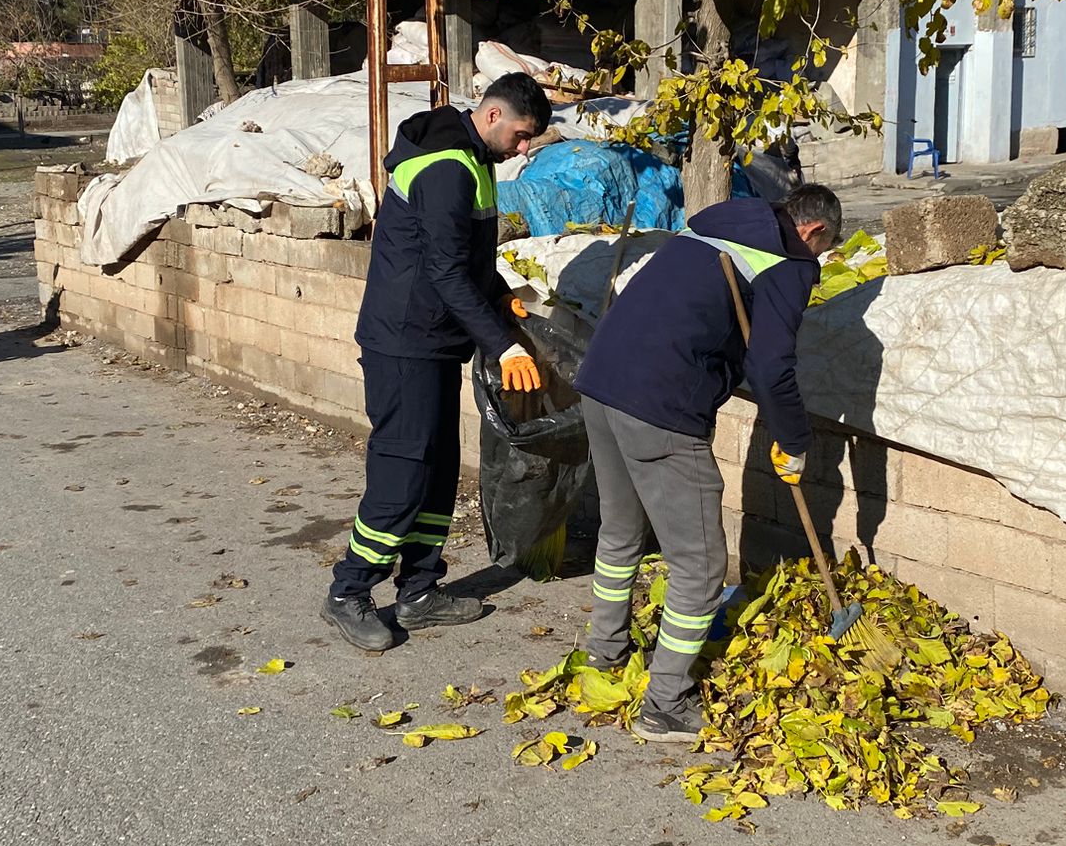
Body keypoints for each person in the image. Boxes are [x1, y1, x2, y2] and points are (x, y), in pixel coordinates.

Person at [572, 183, 842, 739]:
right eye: (824, 248)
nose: (818, 258)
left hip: (600, 382)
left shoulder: (723, 221)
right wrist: (794, 441)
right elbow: (771, 367)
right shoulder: (789, 262)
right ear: (813, 230)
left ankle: (604, 652)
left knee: (620, 529)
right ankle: (665, 703)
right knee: (699, 564)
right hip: (660, 405)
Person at [322, 72, 554, 651]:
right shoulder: (448, 166)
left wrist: (498, 293)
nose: (524, 149)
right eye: (522, 135)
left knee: (439, 468)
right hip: (405, 342)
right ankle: (349, 590)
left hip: (434, 340)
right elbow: (445, 272)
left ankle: (419, 591)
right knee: (404, 472)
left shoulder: (472, 157)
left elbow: (463, 256)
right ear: (494, 116)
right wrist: (502, 344)